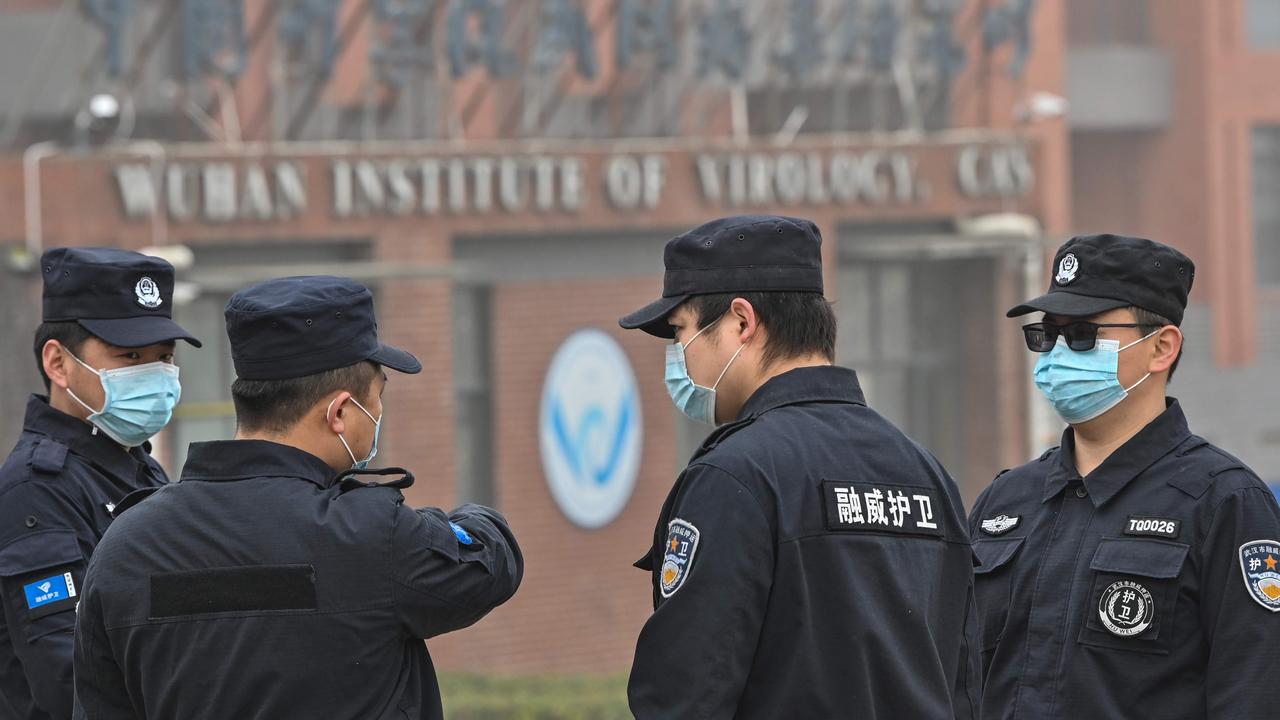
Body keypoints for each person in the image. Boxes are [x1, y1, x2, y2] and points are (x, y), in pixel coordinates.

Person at [71, 276, 523, 720]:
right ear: (340, 412)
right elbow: (492, 564)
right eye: (379, 397)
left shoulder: (125, 546)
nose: (380, 413)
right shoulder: (373, 536)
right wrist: (473, 519)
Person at [618, 215, 979, 719]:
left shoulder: (735, 477)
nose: (678, 357)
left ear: (741, 322)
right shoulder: (927, 474)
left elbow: (684, 697)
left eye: (679, 333)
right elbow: (964, 687)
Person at [970, 234, 1280, 718]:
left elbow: (1252, 692)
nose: (1057, 354)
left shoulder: (1223, 503)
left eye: (1083, 335)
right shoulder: (1006, 502)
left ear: (1161, 348)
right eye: (1047, 336)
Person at [0, 248, 200, 720]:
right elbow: (71, 677)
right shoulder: (36, 491)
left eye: (164, 357)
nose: (154, 374)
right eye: (129, 355)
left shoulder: (136, 468)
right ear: (59, 363)